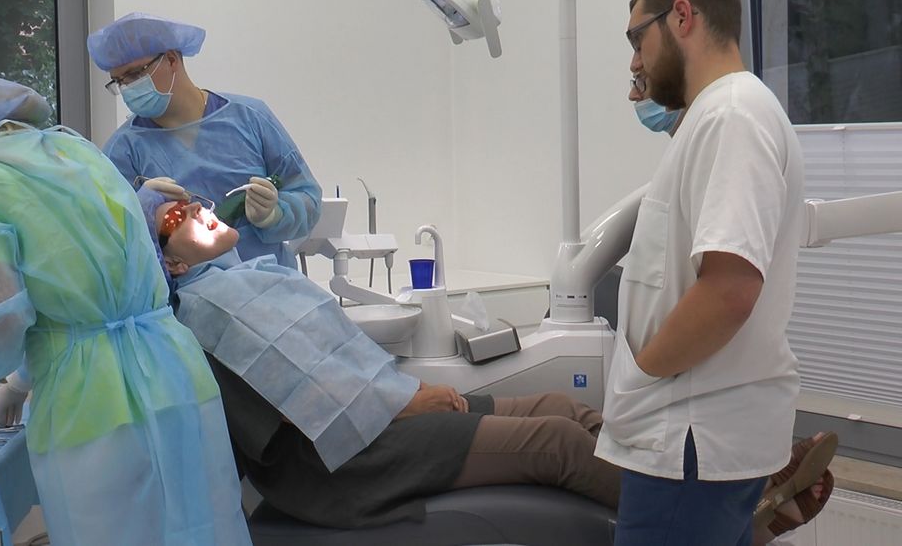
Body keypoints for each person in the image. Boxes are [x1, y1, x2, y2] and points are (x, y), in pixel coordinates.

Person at [141, 192, 827, 543]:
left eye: (193, 199)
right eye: (175, 216)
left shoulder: (252, 276)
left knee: (563, 408)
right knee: (554, 443)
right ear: (164, 261)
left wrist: (403, 395)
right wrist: (403, 403)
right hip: (343, 463)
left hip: (376, 422)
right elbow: (305, 400)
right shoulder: (203, 315)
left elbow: (334, 364)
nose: (197, 209)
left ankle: (737, 495)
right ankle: (723, 526)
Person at [0, 64, 251, 546]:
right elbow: (99, 297)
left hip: (94, 406)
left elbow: (1, 317)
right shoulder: (76, 151)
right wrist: (22, 381)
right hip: (177, 378)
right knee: (201, 528)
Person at [598, 0, 824, 546]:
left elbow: (728, 292)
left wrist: (639, 379)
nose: (634, 62)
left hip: (688, 438)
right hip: (691, 436)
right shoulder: (716, 116)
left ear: (682, 17)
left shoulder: (733, 115)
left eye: (636, 39)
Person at [89, 12, 321, 269]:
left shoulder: (249, 117)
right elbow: (109, 239)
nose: (127, 88)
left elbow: (307, 196)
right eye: (119, 81)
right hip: (189, 292)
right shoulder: (122, 150)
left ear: (171, 59)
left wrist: (274, 215)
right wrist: (141, 209)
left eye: (135, 74)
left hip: (271, 283)